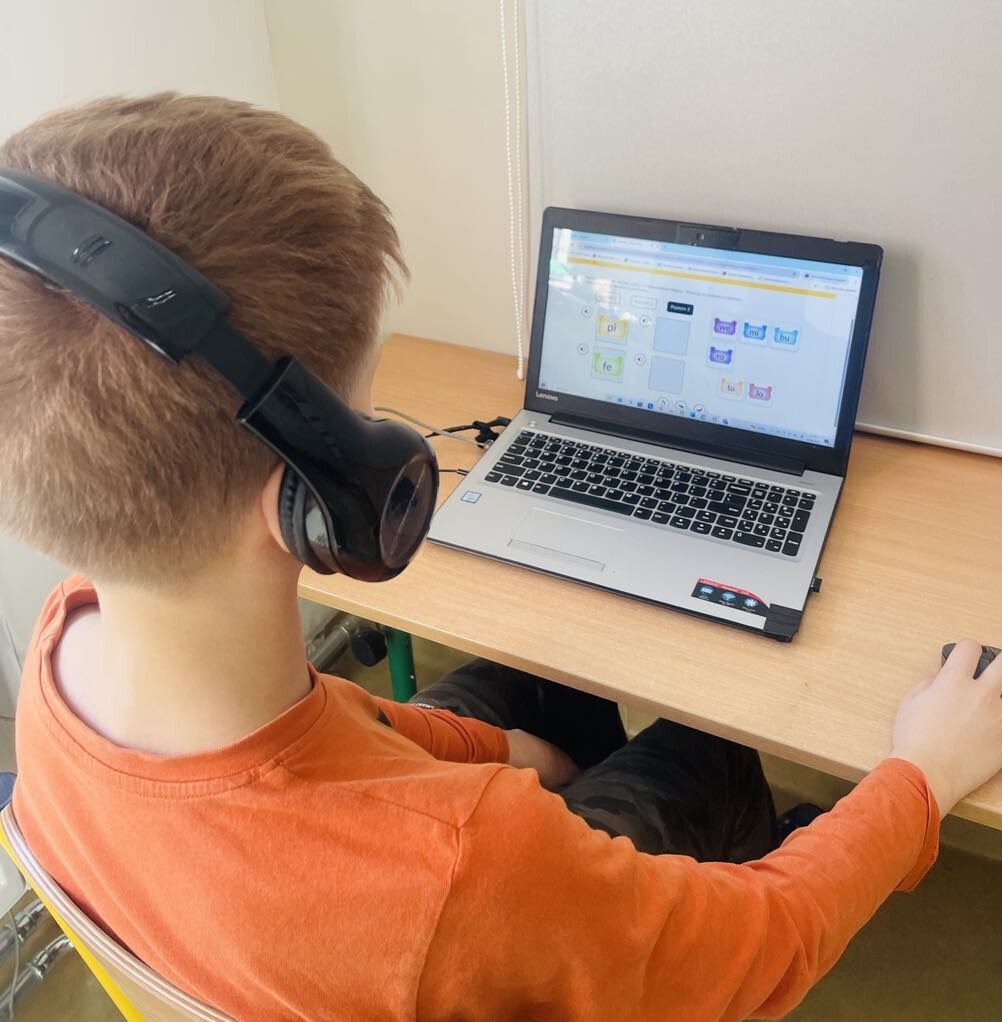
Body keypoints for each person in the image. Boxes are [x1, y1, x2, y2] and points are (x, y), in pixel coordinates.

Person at [1, 94, 1000, 1022]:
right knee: (708, 746)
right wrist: (922, 774)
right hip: (444, 911)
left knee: (542, 693)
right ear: (323, 488)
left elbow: (332, 726)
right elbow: (768, 938)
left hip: (253, 920)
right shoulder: (469, 863)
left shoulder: (59, 650)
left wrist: (514, 757)